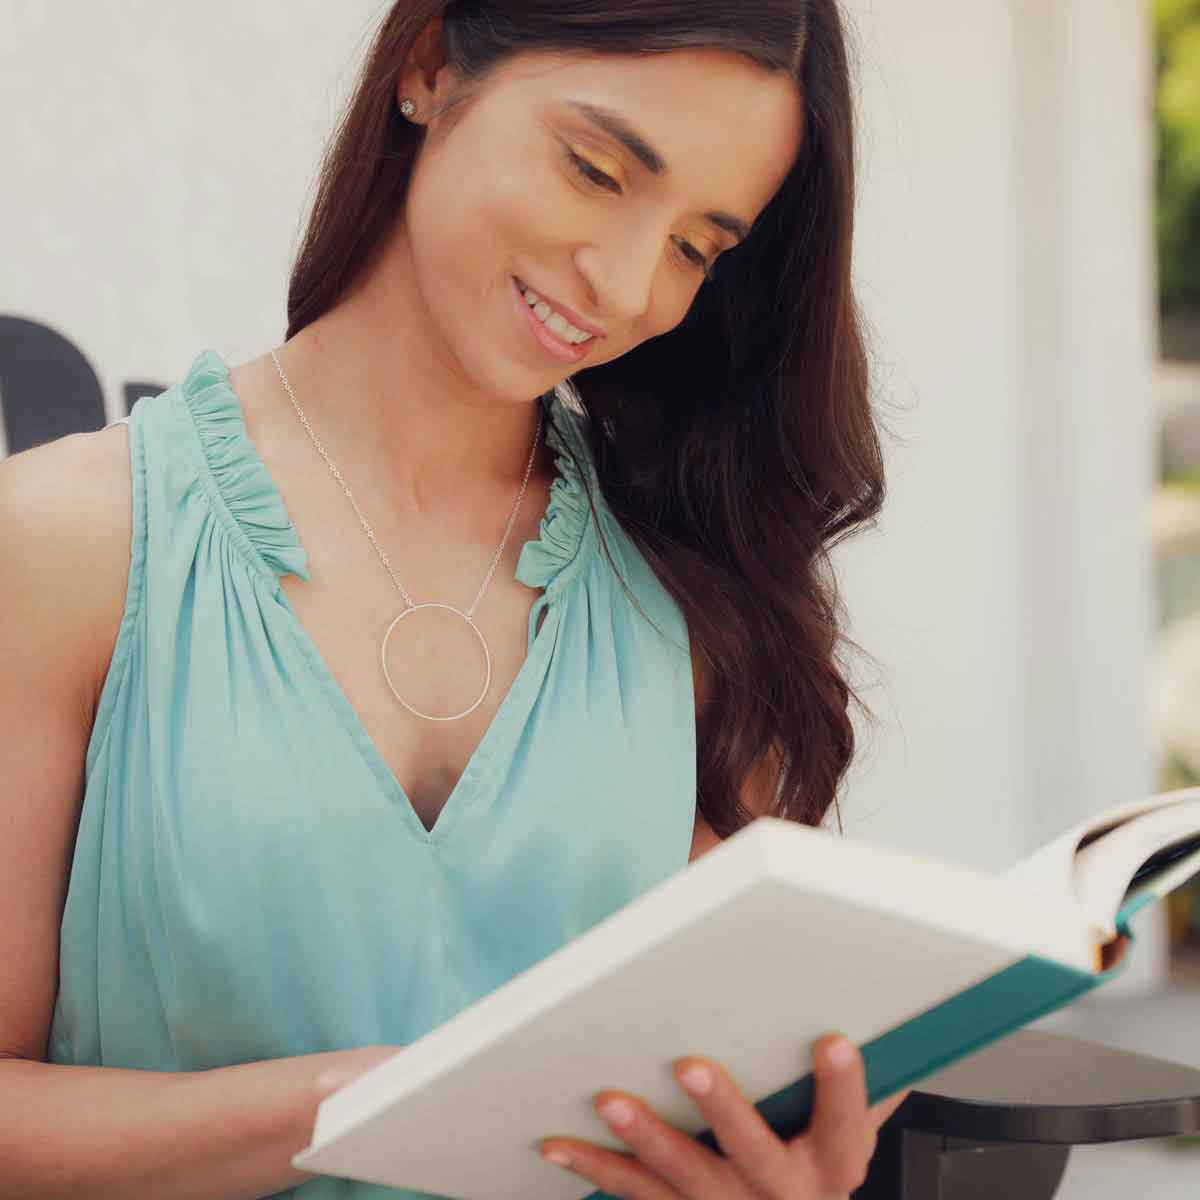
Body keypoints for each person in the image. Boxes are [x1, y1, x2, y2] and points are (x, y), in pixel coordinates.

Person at [0, 1, 908, 1196]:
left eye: (697, 247)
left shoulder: (690, 599)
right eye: (596, 170)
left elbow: (715, 1083)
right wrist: (360, 1107)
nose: (627, 285)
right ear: (430, 67)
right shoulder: (70, 542)